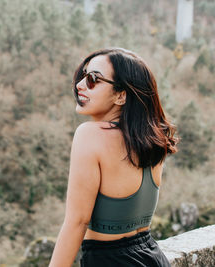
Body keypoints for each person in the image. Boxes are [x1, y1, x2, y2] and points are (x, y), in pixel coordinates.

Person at [49, 48, 178, 267]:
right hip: (153, 257)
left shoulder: (90, 135)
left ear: (121, 95)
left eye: (93, 79)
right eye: (82, 75)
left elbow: (77, 222)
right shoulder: (152, 138)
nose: (80, 85)